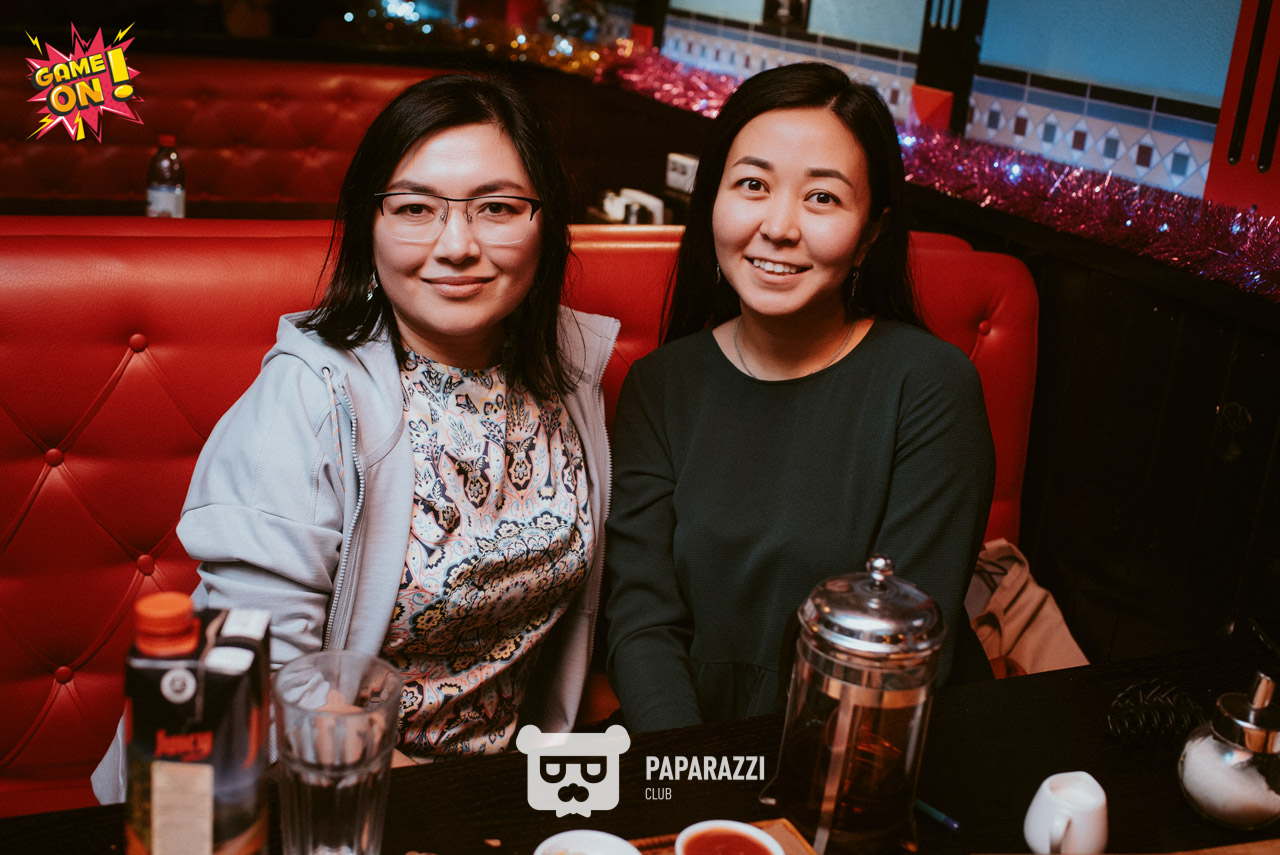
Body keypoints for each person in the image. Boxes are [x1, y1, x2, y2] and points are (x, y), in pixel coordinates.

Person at [94, 73, 618, 799]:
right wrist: (444, 807)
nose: (457, 245)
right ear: (369, 225)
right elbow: (264, 682)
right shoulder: (307, 399)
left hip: (503, 791)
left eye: (498, 207)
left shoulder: (570, 368)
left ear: (546, 221)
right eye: (415, 208)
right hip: (307, 796)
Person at [604, 62, 995, 732]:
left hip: (864, 746)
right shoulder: (660, 384)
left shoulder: (930, 385)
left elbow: (896, 651)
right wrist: (691, 769)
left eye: (822, 197)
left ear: (871, 233)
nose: (780, 226)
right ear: (712, 201)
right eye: (753, 185)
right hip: (683, 739)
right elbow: (642, 623)